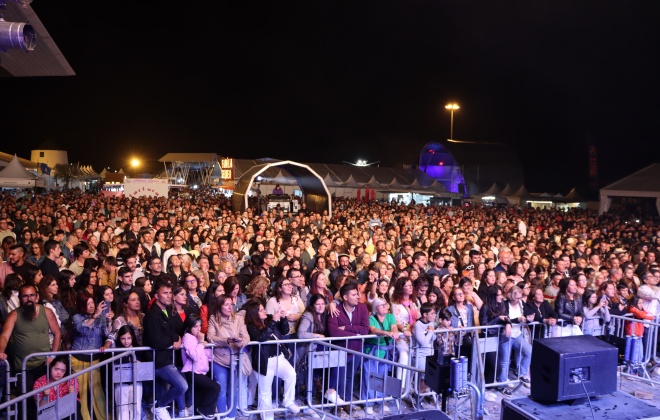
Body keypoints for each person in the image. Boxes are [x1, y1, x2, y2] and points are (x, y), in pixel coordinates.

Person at [245, 300, 301, 420]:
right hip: (263, 361)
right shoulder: (251, 327)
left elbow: (285, 330)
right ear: (254, 314)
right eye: (261, 310)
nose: (265, 311)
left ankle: (288, 401)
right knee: (265, 392)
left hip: (278, 357)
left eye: (263, 308)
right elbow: (261, 337)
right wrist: (274, 322)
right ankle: (267, 417)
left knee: (291, 374)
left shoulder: (270, 319)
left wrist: (283, 317)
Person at [143, 281, 189, 420]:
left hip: (167, 357)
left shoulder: (169, 311)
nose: (169, 296)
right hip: (158, 360)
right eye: (165, 293)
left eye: (170, 293)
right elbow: (156, 341)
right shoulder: (152, 315)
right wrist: (173, 340)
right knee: (182, 385)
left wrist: (177, 338)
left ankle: (160, 407)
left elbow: (174, 331)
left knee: (164, 390)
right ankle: (159, 406)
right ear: (156, 296)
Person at [206, 294, 250, 420]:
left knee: (233, 389)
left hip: (235, 358)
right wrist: (226, 340)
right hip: (219, 359)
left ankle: (231, 417)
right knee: (221, 390)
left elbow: (246, 336)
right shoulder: (213, 319)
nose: (230, 307)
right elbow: (210, 337)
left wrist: (242, 342)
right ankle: (222, 416)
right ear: (220, 306)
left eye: (231, 304)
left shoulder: (238, 318)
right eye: (226, 304)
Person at [327, 282, 370, 403]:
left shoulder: (362, 308)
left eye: (358, 294)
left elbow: (365, 329)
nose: (358, 297)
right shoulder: (336, 310)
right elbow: (333, 332)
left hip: (356, 349)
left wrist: (346, 328)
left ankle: (347, 402)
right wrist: (356, 334)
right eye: (354, 294)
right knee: (339, 378)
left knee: (350, 378)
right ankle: (337, 404)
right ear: (345, 297)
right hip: (340, 350)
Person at [71, 293, 111, 420]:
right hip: (79, 358)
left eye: (92, 303)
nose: (92, 306)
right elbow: (82, 329)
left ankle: (102, 417)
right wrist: (95, 316)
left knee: (97, 392)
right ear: (82, 305)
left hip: (95, 359)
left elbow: (107, 333)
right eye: (88, 304)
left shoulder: (101, 316)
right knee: (81, 392)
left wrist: (109, 321)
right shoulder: (76, 317)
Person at [180, 314, 221, 420]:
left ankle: (200, 412)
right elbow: (195, 356)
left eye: (199, 326)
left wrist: (206, 346)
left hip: (201, 371)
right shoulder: (187, 337)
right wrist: (201, 343)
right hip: (192, 371)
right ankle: (205, 410)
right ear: (189, 327)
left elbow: (208, 356)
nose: (198, 329)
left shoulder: (197, 338)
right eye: (195, 326)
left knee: (198, 397)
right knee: (215, 387)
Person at [361, 297, 396, 415]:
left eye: (385, 304)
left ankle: (380, 401)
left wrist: (393, 331)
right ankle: (368, 403)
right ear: (376, 308)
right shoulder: (371, 318)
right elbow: (373, 329)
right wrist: (386, 333)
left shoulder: (390, 317)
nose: (385, 306)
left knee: (383, 376)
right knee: (369, 376)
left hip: (385, 351)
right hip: (372, 351)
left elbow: (394, 326)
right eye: (382, 305)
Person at [479, 285, 513, 396]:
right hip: (488, 339)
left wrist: (508, 323)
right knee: (495, 367)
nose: (501, 297)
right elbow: (484, 326)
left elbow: (507, 317)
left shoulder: (501, 305)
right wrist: (498, 319)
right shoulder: (485, 307)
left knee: (500, 365)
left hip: (500, 338)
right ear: (492, 296)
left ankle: (492, 387)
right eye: (498, 295)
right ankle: (486, 390)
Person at [411, 302, 437, 409]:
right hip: (420, 355)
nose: (434, 315)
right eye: (432, 313)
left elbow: (433, 339)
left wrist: (431, 332)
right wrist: (430, 332)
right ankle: (417, 395)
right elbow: (423, 342)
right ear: (425, 314)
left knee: (430, 377)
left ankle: (418, 395)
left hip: (430, 354)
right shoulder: (418, 325)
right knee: (427, 376)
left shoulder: (431, 324)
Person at [114, 325, 143, 420]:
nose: (126, 341)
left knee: (136, 408)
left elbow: (144, 366)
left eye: (128, 338)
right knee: (122, 409)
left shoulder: (139, 349)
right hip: (121, 383)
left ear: (133, 338)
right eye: (123, 338)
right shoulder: (116, 350)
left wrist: (139, 363)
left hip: (136, 382)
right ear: (119, 338)